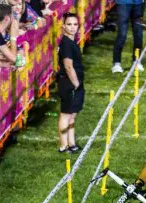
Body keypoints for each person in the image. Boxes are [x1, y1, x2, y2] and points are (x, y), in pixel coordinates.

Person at [57, 12, 84, 153]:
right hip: (69, 84)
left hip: (74, 83)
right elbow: (68, 66)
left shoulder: (71, 42)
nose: (72, 27)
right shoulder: (66, 44)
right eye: (69, 24)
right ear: (64, 27)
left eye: (75, 24)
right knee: (66, 114)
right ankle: (63, 146)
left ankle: (71, 144)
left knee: (72, 114)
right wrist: (76, 84)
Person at [112, 0, 145, 74]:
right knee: (122, 35)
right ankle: (116, 63)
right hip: (123, 3)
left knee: (138, 35)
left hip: (138, 4)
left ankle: (136, 61)